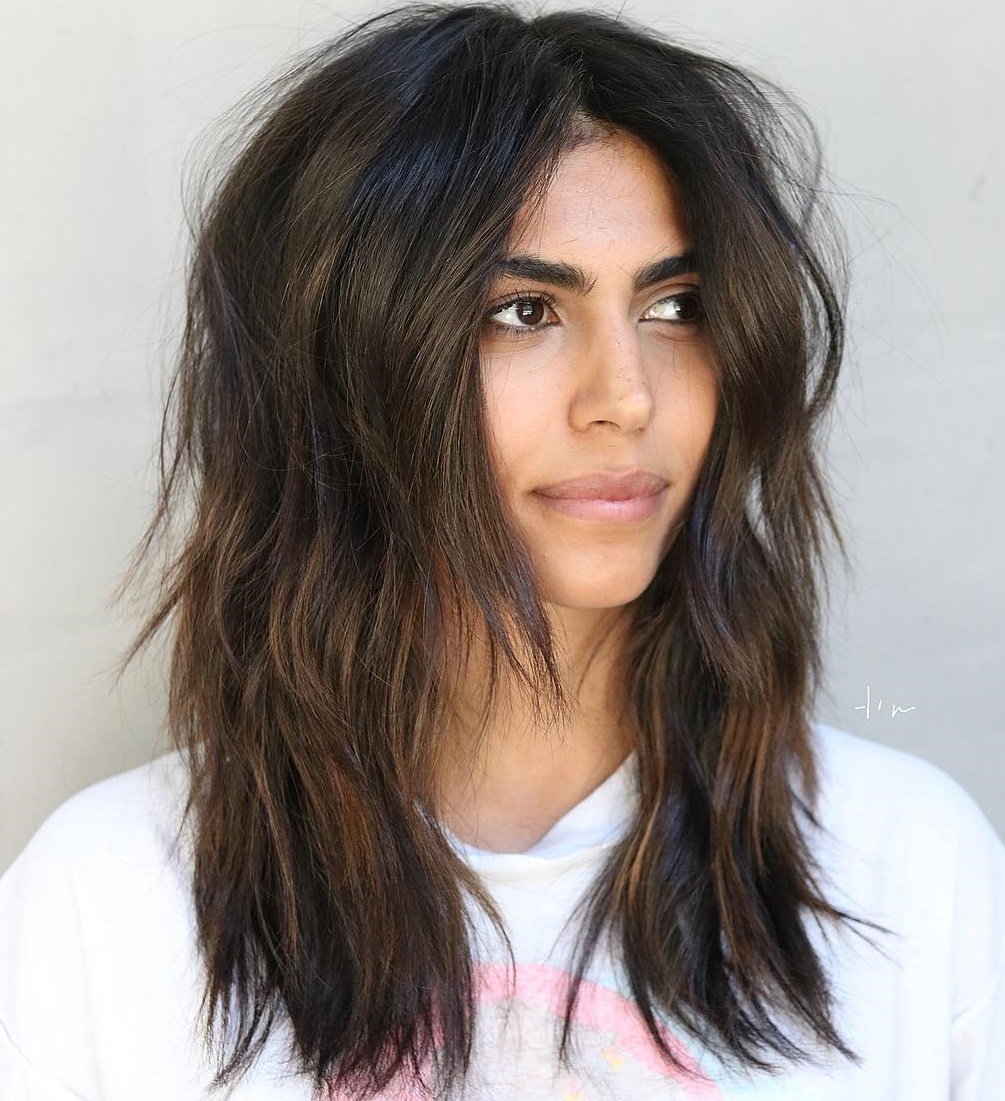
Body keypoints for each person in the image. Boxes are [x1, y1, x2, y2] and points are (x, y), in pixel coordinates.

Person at [1, 2, 1003, 1098]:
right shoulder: (108, 906)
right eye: (524, 311)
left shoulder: (908, 871)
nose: (626, 396)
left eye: (676, 306)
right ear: (343, 370)